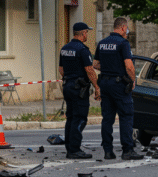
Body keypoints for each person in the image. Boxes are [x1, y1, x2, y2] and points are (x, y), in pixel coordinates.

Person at [94, 17, 141, 160]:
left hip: (105, 84)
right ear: (122, 28)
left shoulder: (102, 43)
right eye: (126, 29)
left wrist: (109, 67)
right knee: (126, 116)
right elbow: (129, 66)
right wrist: (132, 81)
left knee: (107, 118)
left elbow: (95, 64)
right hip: (119, 85)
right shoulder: (123, 43)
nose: (127, 31)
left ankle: (108, 151)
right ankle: (127, 150)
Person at [59, 22, 100, 159]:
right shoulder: (83, 49)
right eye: (87, 32)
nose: (87, 34)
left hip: (68, 86)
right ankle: (75, 149)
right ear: (83, 33)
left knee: (70, 118)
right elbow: (89, 70)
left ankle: (70, 148)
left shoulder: (65, 48)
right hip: (79, 89)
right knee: (80, 118)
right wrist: (97, 87)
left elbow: (61, 70)